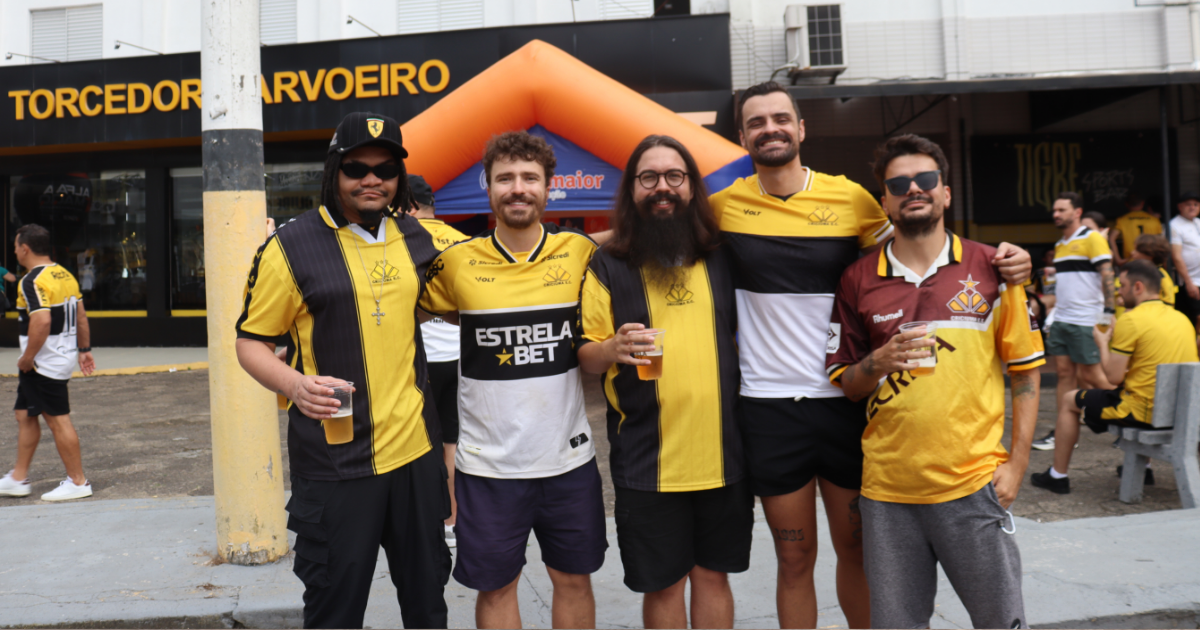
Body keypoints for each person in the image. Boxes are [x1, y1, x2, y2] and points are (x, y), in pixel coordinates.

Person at [706, 80, 1032, 629]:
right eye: (756, 122)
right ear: (741, 136)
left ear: (801, 128)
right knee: (794, 558)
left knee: (856, 550)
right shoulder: (722, 207)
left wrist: (1003, 262)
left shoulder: (852, 198)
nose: (770, 129)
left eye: (781, 118)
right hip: (768, 405)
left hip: (847, 400)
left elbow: (916, 247)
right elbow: (657, 237)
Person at [235, 112, 450, 629]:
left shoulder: (419, 237)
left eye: (386, 169)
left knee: (428, 604)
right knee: (335, 610)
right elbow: (250, 342)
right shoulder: (289, 247)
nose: (372, 179)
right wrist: (294, 384)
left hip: (416, 457)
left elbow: (481, 285)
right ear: (334, 171)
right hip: (334, 464)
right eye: (357, 168)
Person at [827, 134, 1043, 629]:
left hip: (972, 485)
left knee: (1001, 621)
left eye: (925, 179)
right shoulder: (858, 279)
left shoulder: (993, 267)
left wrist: (1017, 465)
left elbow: (1026, 371)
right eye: (898, 184)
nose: (913, 189)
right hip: (888, 492)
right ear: (884, 202)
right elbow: (847, 383)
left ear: (945, 192)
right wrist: (879, 362)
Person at [420, 131, 606, 629]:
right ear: (488, 186)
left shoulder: (579, 252)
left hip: (568, 461)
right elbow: (402, 307)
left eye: (529, 178)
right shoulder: (456, 262)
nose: (518, 188)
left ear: (549, 187)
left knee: (573, 580)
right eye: (505, 178)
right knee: (497, 586)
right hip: (488, 467)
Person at [578, 135, 751, 629]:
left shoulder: (722, 255)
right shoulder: (608, 263)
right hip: (646, 462)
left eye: (675, 176)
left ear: (692, 186)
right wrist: (612, 349)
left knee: (713, 577)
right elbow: (588, 357)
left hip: (724, 456)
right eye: (648, 177)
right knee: (665, 585)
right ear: (631, 189)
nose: (662, 187)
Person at [1031, 259, 1200, 494]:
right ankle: (1145, 469)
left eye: (1123, 285)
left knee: (1070, 400)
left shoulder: (1131, 320)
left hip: (1143, 414)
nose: (1119, 291)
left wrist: (1102, 343)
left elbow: (1112, 378)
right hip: (1181, 412)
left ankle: (1057, 476)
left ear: (1138, 287)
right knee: (1142, 390)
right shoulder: (1182, 319)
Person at [0, 224, 97, 502]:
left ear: (25, 249)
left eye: (16, 247)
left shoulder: (31, 280)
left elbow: (41, 321)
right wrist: (84, 349)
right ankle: (18, 478)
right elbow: (80, 315)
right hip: (57, 357)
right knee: (25, 414)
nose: (15, 251)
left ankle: (78, 482)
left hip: (43, 363)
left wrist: (27, 358)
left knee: (57, 420)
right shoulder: (64, 274)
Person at [405, 174, 469, 549]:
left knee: (417, 443)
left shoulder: (403, 239)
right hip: (459, 355)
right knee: (453, 441)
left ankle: (421, 520)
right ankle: (452, 521)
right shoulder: (461, 240)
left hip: (420, 358)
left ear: (409, 207)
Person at [1170, 191, 1200, 334]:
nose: (1192, 207)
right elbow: (1176, 257)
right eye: (1188, 204)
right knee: (1197, 317)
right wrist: (1189, 282)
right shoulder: (1174, 225)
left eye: (1196, 204)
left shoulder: (1198, 222)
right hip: (1190, 281)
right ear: (1180, 207)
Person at [1110, 192, 1163, 266]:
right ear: (1143, 203)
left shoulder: (1122, 220)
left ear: (1126, 204)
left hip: (1131, 261)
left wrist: (1119, 260)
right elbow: (1161, 242)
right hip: (1151, 261)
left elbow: (1111, 238)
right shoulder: (1154, 220)